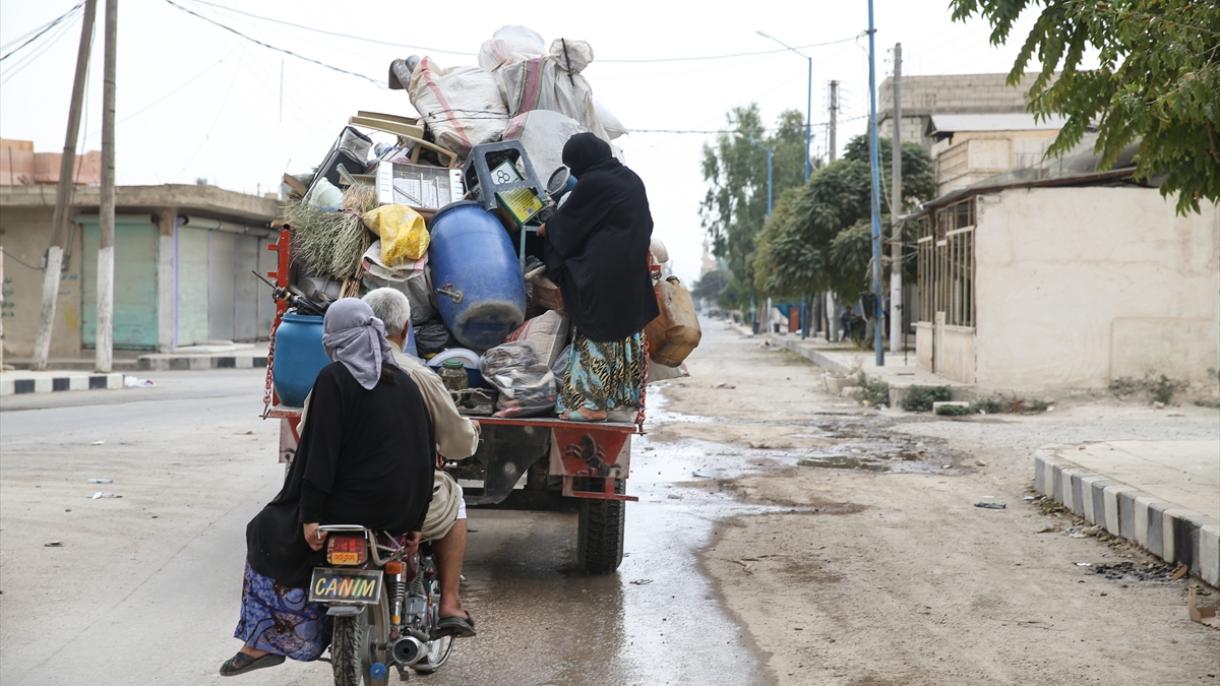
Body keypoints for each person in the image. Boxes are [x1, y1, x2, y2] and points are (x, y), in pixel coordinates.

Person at [219, 298, 435, 677]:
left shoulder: (334, 380)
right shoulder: (406, 384)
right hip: (399, 512)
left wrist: (310, 516)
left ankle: (261, 642)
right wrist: (415, 520)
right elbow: (423, 457)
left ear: (335, 339)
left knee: (265, 529)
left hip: (345, 511)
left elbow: (319, 457)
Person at [362, 287, 478, 638]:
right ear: (407, 328)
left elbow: (310, 436)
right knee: (454, 499)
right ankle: (450, 604)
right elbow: (457, 444)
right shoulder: (420, 377)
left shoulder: (334, 375)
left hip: (343, 502)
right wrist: (469, 432)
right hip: (405, 501)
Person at [540, 132, 659, 422]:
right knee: (620, 335)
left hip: (601, 276)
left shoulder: (593, 182)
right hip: (631, 275)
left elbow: (567, 227)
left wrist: (547, 230)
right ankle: (615, 401)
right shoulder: (630, 178)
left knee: (595, 333)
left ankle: (591, 406)